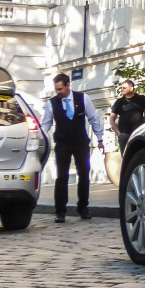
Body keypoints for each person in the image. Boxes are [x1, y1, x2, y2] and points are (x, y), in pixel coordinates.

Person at [40, 73, 105, 221]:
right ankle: (60, 212)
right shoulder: (52, 103)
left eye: (61, 89)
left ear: (68, 85)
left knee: (83, 174)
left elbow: (93, 118)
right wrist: (40, 138)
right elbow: (46, 124)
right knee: (61, 176)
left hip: (80, 142)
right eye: (56, 89)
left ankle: (83, 208)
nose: (58, 92)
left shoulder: (83, 98)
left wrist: (100, 138)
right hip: (62, 143)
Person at [110, 79, 145, 144]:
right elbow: (112, 119)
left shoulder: (141, 99)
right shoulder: (119, 102)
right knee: (126, 154)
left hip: (139, 133)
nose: (122, 89)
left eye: (124, 88)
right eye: (121, 88)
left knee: (140, 153)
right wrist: (119, 134)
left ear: (131, 88)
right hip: (124, 134)